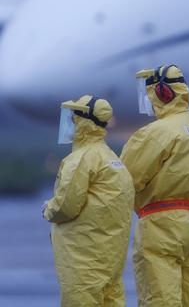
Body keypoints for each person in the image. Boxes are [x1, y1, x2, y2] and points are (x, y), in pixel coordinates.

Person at [120, 64, 189, 307]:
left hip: (161, 224)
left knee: (160, 299)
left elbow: (124, 180)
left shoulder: (156, 132)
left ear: (161, 93)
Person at [43, 95, 134, 306]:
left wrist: (48, 209)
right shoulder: (111, 158)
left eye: (74, 117)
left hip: (83, 259)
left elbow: (66, 206)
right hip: (109, 258)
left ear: (83, 121)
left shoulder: (81, 159)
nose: (70, 122)